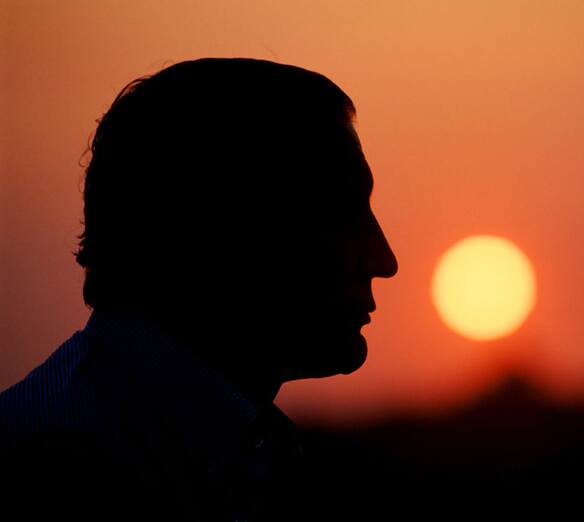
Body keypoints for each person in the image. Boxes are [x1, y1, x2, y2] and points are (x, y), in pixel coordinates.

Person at [0, 58, 398, 520]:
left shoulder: (224, 455)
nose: (383, 260)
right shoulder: (56, 474)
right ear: (217, 228)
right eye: (339, 212)